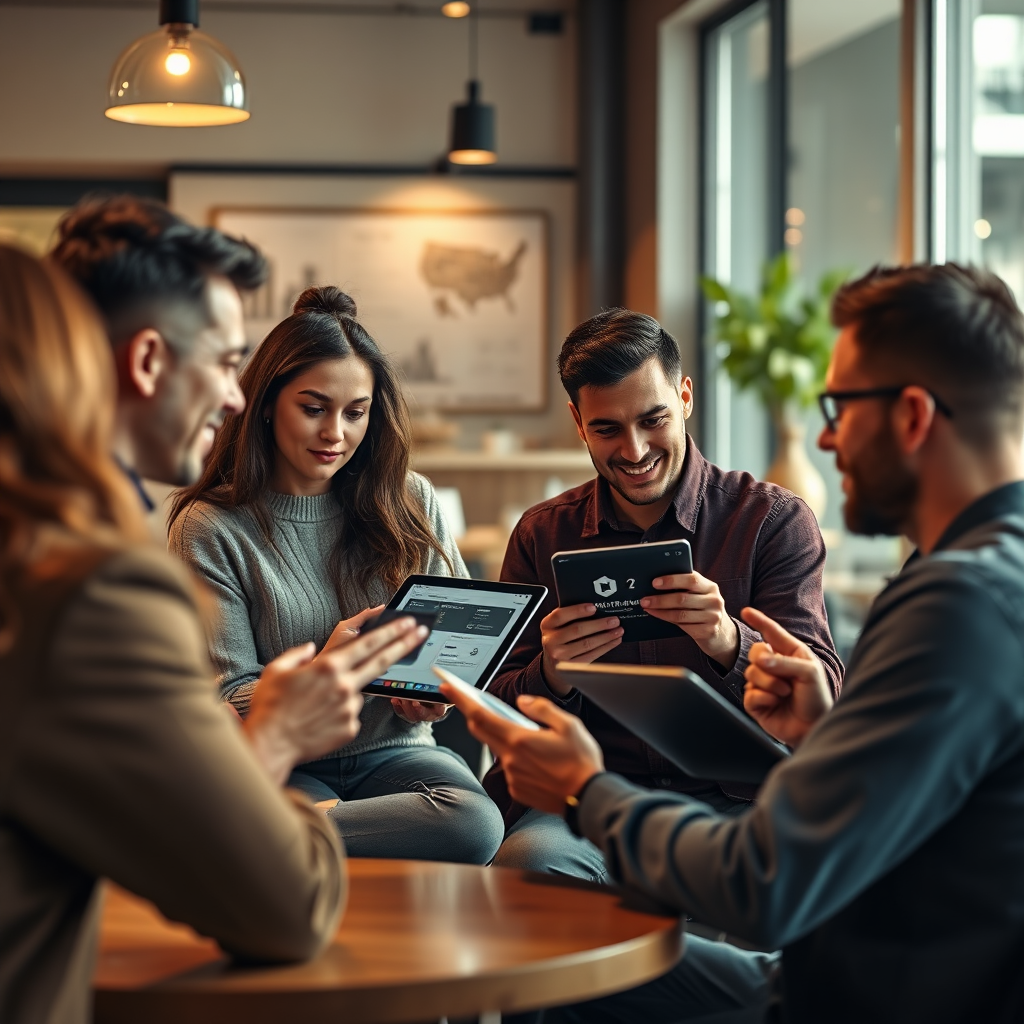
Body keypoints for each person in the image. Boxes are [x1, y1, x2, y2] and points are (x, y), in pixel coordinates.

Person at [444, 263, 1024, 1023]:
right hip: (838, 974)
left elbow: (766, 881)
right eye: (607, 427)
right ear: (581, 425)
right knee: (543, 942)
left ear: (913, 415)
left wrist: (587, 790)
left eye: (838, 407)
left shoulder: (954, 604)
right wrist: (820, 732)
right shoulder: (976, 579)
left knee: (545, 963)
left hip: (848, 995)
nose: (824, 436)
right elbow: (888, 802)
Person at [0, 243, 431, 1024]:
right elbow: (285, 907)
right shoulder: (94, 591)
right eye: (228, 363)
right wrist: (275, 737)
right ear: (146, 361)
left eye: (355, 411)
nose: (234, 397)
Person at [486, 309, 843, 881]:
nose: (634, 451)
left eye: (653, 420)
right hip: (586, 800)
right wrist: (551, 675)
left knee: (786, 878)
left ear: (685, 397)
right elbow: (494, 708)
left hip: (739, 802)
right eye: (607, 429)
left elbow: (822, 685)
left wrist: (728, 641)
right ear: (578, 423)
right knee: (529, 864)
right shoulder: (542, 533)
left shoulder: (772, 521)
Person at [167, 285, 505, 863]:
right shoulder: (210, 526)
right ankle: (290, 833)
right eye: (314, 408)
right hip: (284, 760)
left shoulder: (411, 501)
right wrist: (329, 670)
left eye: (355, 412)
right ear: (267, 403)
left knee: (473, 822)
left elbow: (453, 648)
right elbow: (226, 694)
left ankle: (288, 837)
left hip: (398, 752)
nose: (335, 434)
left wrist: (435, 695)